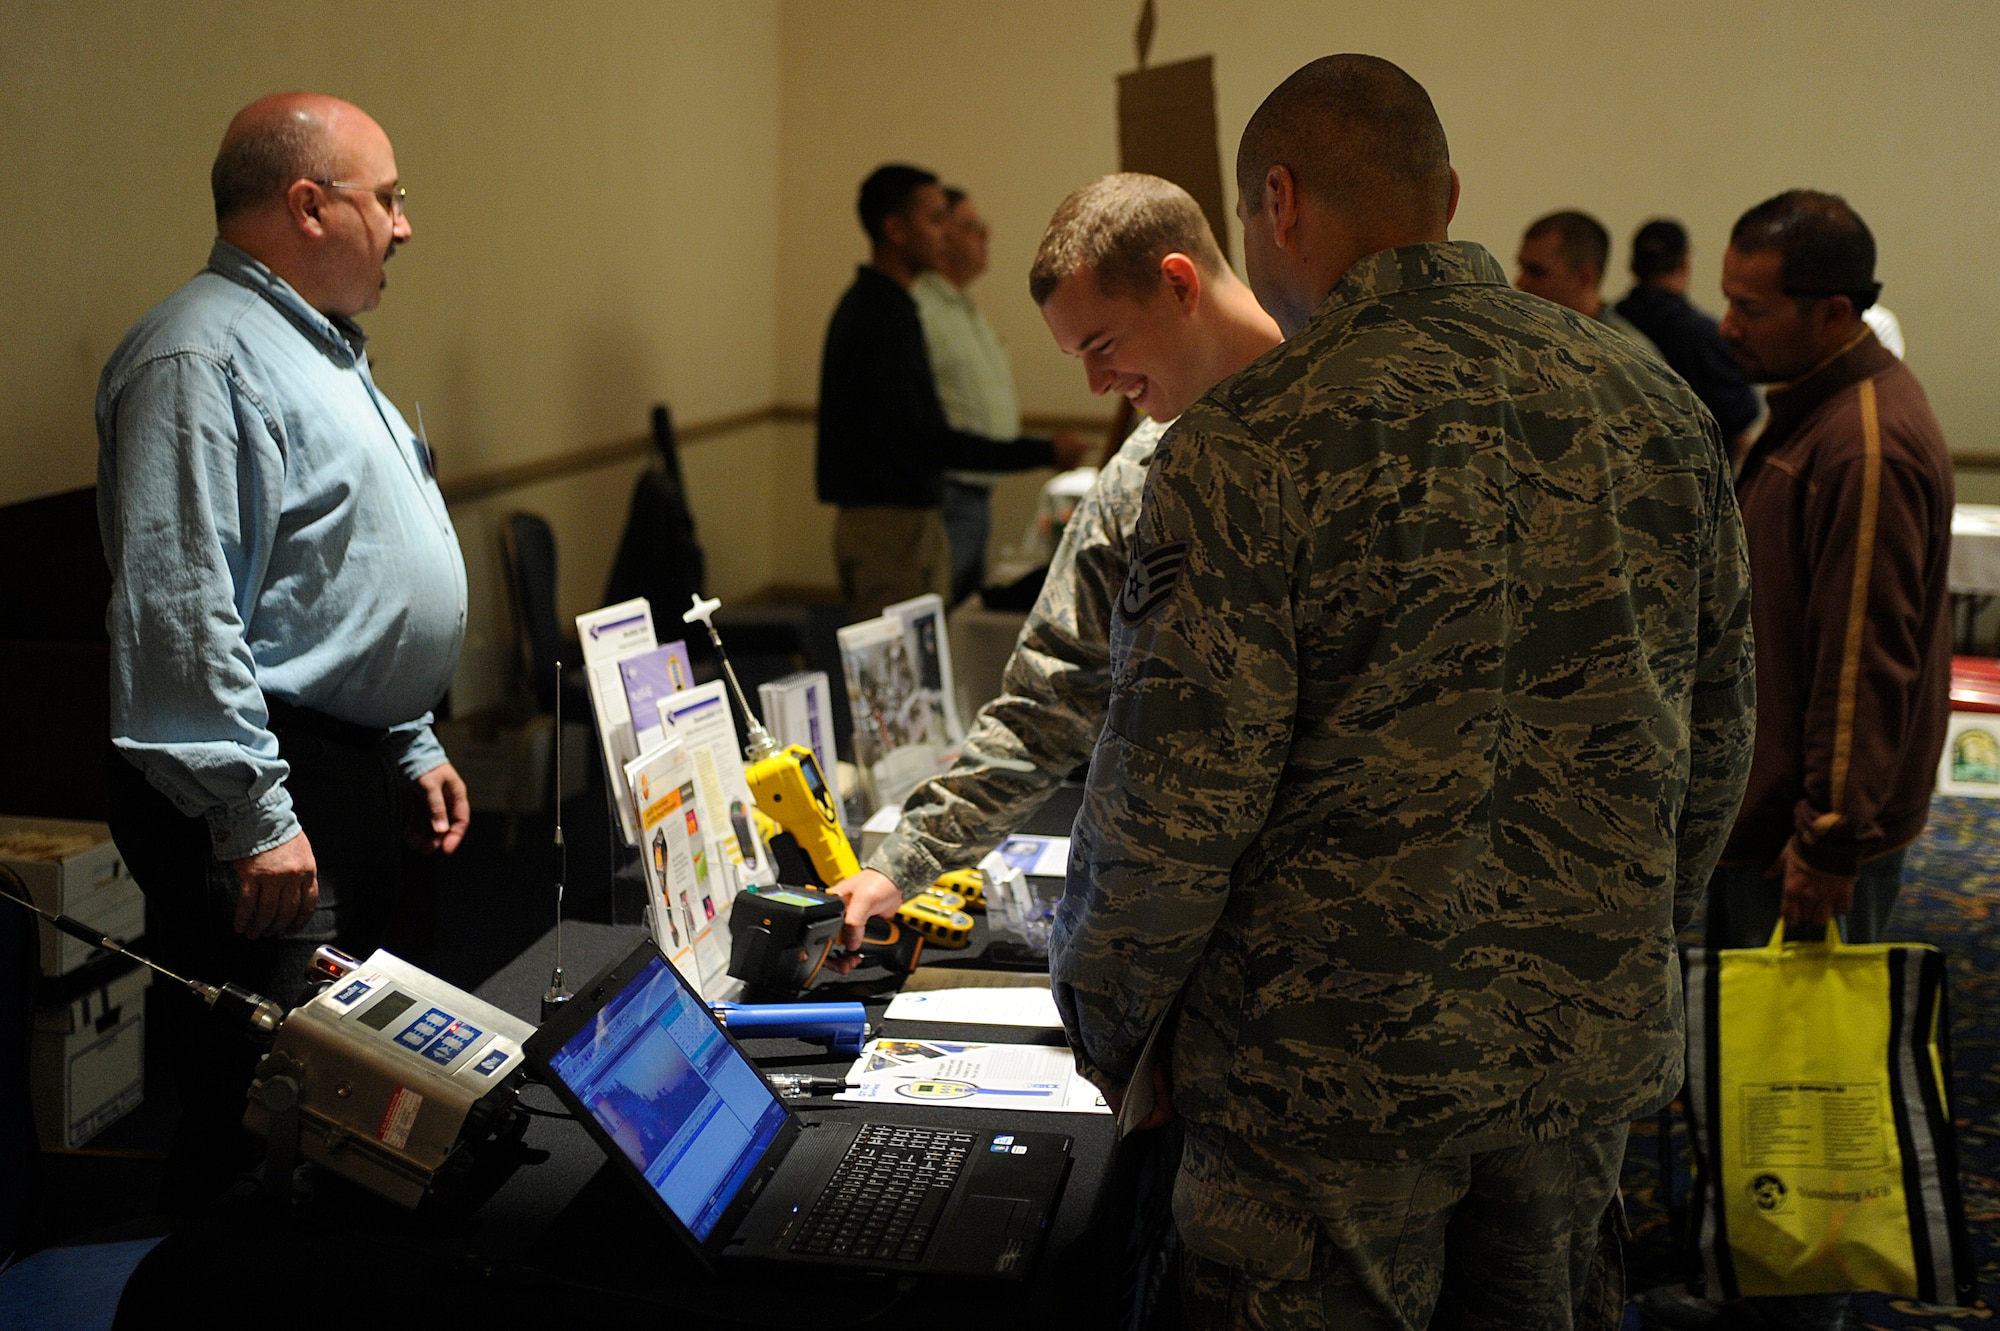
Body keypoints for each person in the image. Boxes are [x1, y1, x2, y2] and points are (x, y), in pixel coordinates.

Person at [1054, 54, 1755, 1329]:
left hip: (1318, 1087)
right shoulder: (1653, 406)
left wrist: (1112, 1027)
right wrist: (1615, 948)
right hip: (1572, 1060)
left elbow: (1167, 808)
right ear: (1446, 197)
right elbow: (1715, 740)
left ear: (1278, 201)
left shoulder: (1246, 443)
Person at [96, 93, 470, 1203]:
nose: (404, 226)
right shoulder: (196, 355)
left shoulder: (316, 346)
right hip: (270, 783)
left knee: (358, 1096)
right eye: (389, 199)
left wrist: (407, 734)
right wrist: (253, 813)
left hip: (344, 769)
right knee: (268, 1106)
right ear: (308, 205)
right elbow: (181, 609)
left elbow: (330, 581)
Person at [1637, 191, 1953, 1331]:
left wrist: (1822, 841)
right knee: (1751, 1065)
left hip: (1802, 835)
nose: (1723, 324)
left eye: (1747, 304)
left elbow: (1858, 666)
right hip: (1770, 819)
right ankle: (1753, 1279)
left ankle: (1789, 1303)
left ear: (1830, 311)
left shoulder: (1858, 442)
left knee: (1800, 1088)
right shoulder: (1811, 408)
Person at [827, 172, 1280, 941]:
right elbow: (1050, 697)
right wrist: (901, 863)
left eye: (1102, 344)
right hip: (1193, 938)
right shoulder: (1140, 477)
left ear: (1178, 284)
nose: (1099, 382)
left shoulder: (1356, 420)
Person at [816, 165, 1090, 619]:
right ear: (896, 229)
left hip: (909, 518)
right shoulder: (879, 314)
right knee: (902, 669)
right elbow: (925, 438)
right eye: (935, 220)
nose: (946, 235)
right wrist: (1040, 450)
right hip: (889, 521)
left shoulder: (893, 306)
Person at [913, 188, 1026, 604]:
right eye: (972, 227)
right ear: (941, 235)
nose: (986, 236)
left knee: (963, 617)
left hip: (975, 494)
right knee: (940, 615)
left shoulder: (962, 307)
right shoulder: (920, 307)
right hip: (946, 494)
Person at [1615, 219, 1762, 454]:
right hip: (1691, 478)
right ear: (1685, 262)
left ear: (1633, 264)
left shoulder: (1610, 324)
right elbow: (1739, 416)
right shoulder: (1704, 334)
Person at [1516, 208, 1657, 350]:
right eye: (1522, 268)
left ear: (1585, 278)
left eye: (1536, 272)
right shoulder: (1519, 332)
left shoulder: (1627, 356)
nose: (1520, 282)